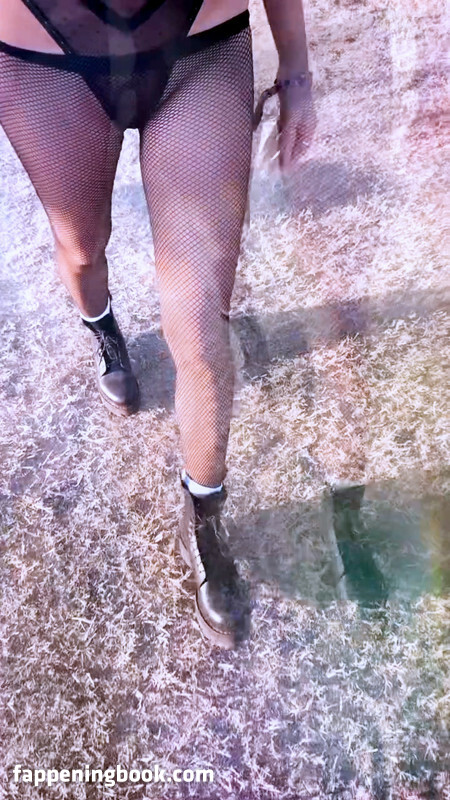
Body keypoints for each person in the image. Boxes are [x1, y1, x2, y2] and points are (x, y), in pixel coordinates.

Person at [0, 0, 316, 648]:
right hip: (46, 47)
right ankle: (103, 329)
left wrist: (297, 68)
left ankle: (202, 514)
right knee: (82, 246)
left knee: (200, 322)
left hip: (200, 35)